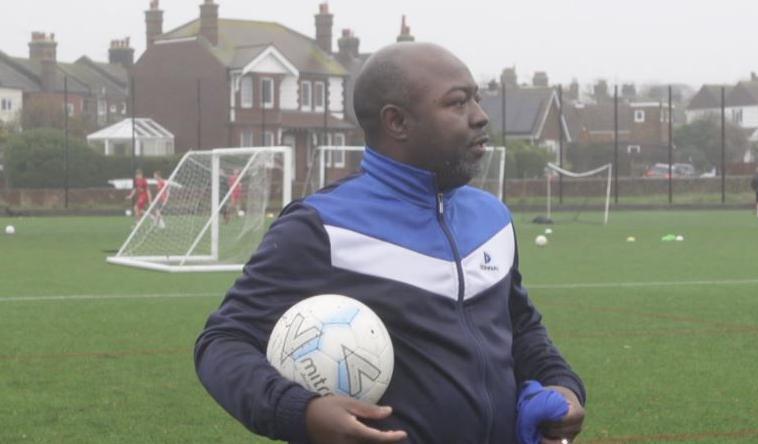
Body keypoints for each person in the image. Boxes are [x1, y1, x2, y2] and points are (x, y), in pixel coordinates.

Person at [194, 42, 585, 444]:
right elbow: (224, 343)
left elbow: (521, 327)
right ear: (397, 122)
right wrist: (302, 412)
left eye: (477, 99)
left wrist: (560, 385)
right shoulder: (321, 228)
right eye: (457, 103)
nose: (480, 117)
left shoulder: (493, 217)